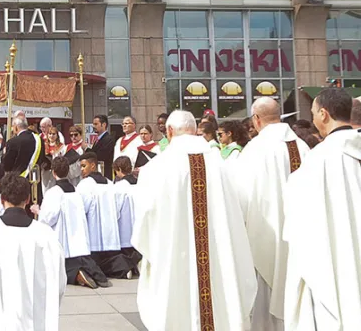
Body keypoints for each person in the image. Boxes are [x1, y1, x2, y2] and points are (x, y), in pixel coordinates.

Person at [131, 110, 257, 331]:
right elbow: (241, 207)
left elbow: (143, 224)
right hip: (217, 257)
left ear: (169, 131)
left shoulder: (155, 169)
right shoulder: (221, 165)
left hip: (173, 258)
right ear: (194, 129)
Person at [283, 88, 361, 330]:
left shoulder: (317, 161)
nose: (314, 118)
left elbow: (298, 226)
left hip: (337, 260)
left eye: (314, 112)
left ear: (324, 114)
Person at [235, 97, 310, 331]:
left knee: (264, 305)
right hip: (302, 237)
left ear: (256, 119)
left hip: (265, 235)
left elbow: (241, 199)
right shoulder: (302, 147)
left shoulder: (255, 150)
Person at [0, 173, 66, 330]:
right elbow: (59, 281)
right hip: (35, 321)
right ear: (28, 199)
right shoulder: (46, 235)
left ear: (2, 200)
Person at [33, 157, 108, 289]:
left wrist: (38, 211)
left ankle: (78, 275)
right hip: (78, 240)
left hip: (62, 240)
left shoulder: (54, 193)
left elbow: (48, 218)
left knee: (56, 269)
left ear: (53, 172)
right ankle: (97, 275)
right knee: (84, 260)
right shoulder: (76, 190)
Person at [76, 152, 132, 280]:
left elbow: (81, 208)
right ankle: (123, 267)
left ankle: (122, 268)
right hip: (110, 236)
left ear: (93, 166)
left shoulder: (85, 185)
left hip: (93, 235)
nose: (82, 170)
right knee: (109, 259)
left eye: (84, 166)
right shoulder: (109, 183)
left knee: (94, 264)